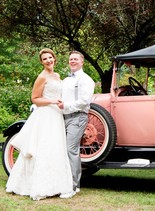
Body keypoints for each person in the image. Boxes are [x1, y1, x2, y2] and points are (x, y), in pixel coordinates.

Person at [5, 48, 73, 201]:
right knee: (44, 148)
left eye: (50, 57)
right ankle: (40, 186)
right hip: (45, 115)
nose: (48, 60)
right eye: (45, 59)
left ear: (54, 58)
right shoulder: (41, 77)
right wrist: (52, 101)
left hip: (56, 115)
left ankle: (57, 185)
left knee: (56, 148)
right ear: (41, 62)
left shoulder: (56, 75)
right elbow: (35, 98)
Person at [57, 50, 95, 197]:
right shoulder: (66, 80)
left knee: (71, 149)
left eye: (75, 59)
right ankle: (69, 183)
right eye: (70, 59)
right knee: (63, 150)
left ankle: (72, 187)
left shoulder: (86, 80)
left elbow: (84, 102)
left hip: (78, 117)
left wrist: (65, 106)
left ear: (82, 62)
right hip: (63, 117)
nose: (72, 61)